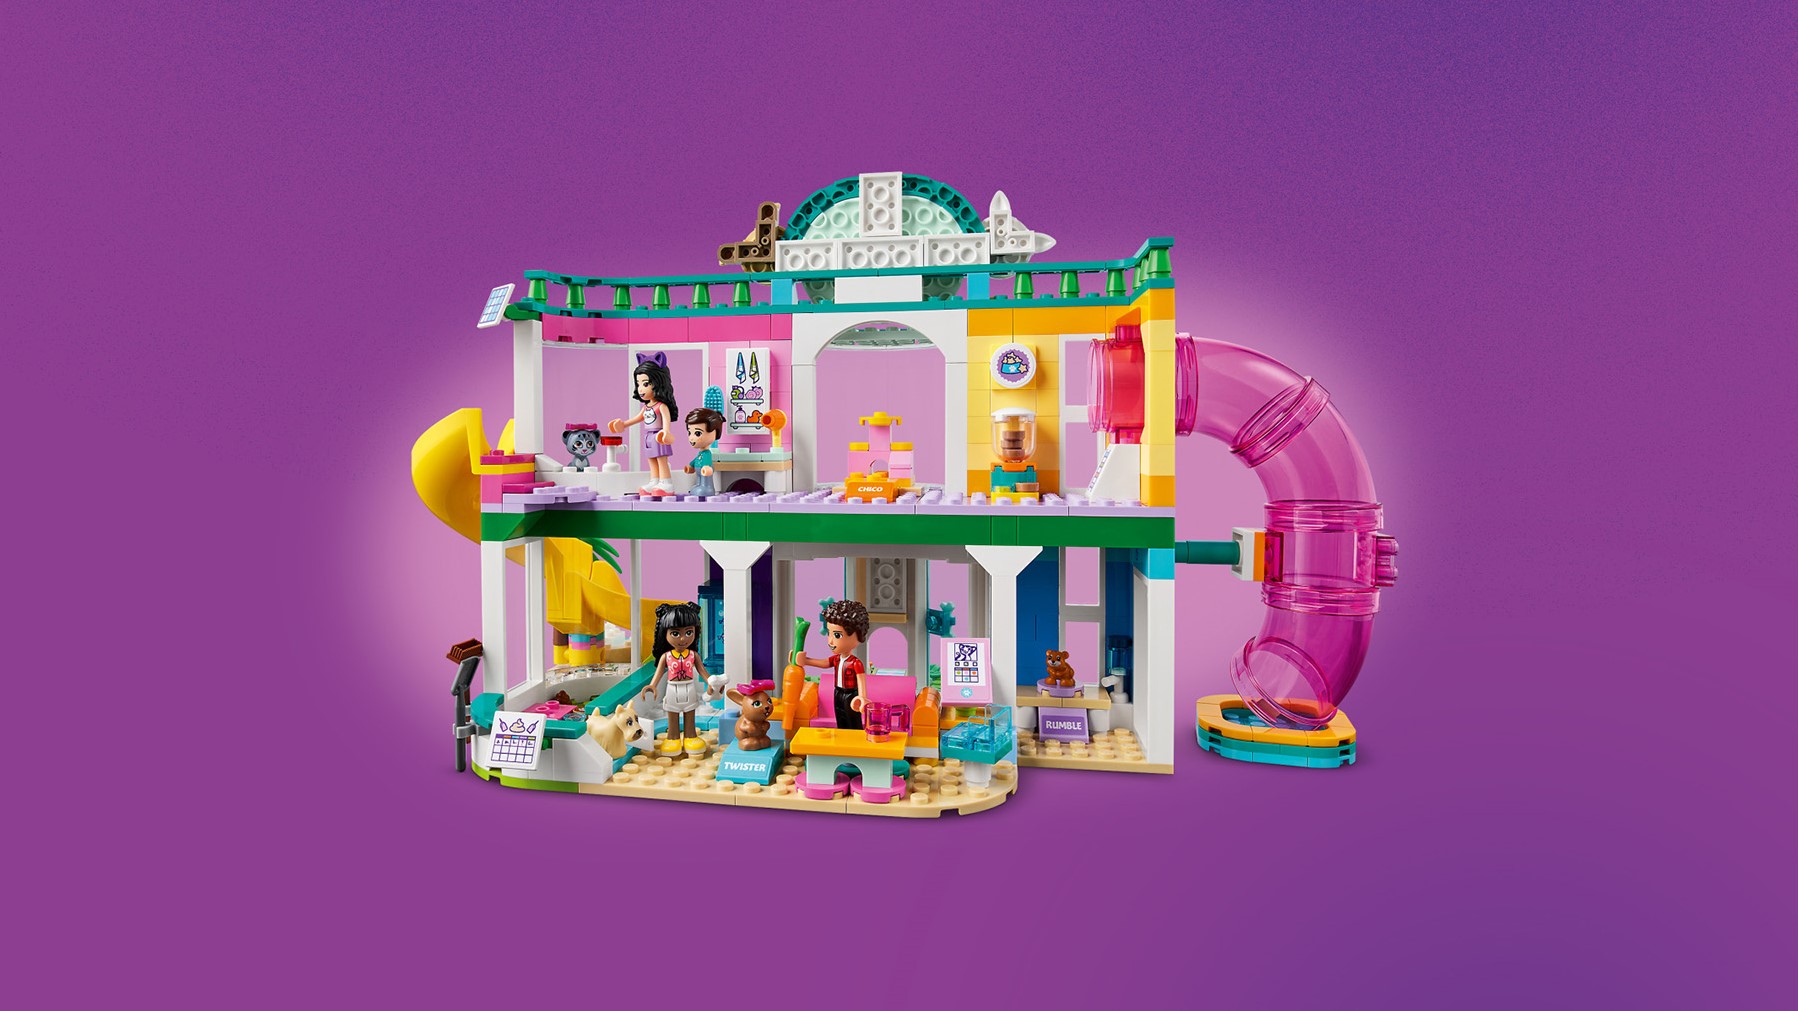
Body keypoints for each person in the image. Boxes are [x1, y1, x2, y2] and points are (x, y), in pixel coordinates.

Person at [640, 601, 717, 756]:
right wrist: (652, 685)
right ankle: (673, 738)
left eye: (688, 632)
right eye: (676, 633)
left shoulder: (693, 655)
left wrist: (712, 682)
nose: (683, 639)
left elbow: (703, 672)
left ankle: (691, 736)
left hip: (689, 687)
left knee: (690, 713)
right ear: (665, 633)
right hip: (672, 689)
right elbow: (659, 673)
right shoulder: (666, 656)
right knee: (672, 713)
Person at [609, 352, 677, 496]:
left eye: (645, 384)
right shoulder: (646, 407)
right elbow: (637, 418)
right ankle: (654, 480)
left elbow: (666, 421)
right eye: (638, 384)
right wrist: (623, 425)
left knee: (661, 459)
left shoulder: (661, 406)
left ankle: (666, 482)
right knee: (651, 459)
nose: (640, 389)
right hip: (648, 437)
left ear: (659, 383)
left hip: (659, 436)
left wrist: (666, 432)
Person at [795, 599, 870, 730]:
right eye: (829, 633)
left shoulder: (855, 663)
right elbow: (824, 663)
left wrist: (862, 697)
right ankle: (842, 737)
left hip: (851, 695)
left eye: (837, 635)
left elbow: (861, 680)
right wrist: (806, 661)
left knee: (852, 719)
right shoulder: (836, 659)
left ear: (857, 636)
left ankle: (854, 739)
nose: (830, 641)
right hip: (837, 692)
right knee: (840, 717)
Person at [683, 407, 724, 497]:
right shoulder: (700, 454)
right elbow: (696, 460)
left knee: (705, 482)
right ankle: (699, 486)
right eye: (689, 433)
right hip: (699, 472)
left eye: (697, 433)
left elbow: (707, 462)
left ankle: (707, 488)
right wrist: (690, 466)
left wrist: (707, 467)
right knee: (698, 482)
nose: (691, 438)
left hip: (704, 472)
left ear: (715, 433)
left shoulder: (707, 453)